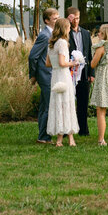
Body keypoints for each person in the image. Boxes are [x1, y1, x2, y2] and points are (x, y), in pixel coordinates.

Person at [46, 16, 79, 146]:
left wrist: (61, 64)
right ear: (65, 28)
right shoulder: (63, 43)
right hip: (63, 76)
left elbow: (48, 63)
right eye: (69, 27)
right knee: (67, 105)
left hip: (55, 75)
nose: (70, 29)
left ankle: (60, 140)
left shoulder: (52, 43)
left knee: (59, 105)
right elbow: (62, 62)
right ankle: (70, 139)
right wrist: (73, 62)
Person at [28, 8, 58, 144]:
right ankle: (44, 136)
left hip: (49, 74)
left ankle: (42, 135)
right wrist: (33, 75)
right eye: (55, 19)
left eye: (58, 18)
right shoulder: (45, 36)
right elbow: (33, 56)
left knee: (44, 105)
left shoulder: (52, 34)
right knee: (48, 106)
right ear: (47, 20)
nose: (57, 20)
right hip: (45, 75)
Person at [66, 7, 94, 137]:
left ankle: (83, 129)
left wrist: (91, 73)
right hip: (69, 71)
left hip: (84, 71)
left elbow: (90, 54)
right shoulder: (65, 33)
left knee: (83, 102)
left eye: (78, 18)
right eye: (73, 18)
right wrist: (66, 23)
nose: (76, 21)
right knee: (68, 101)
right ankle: (67, 130)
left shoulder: (85, 33)